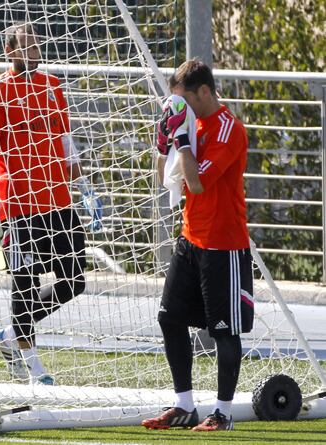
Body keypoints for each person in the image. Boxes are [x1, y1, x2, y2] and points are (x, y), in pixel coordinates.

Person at [0, 23, 106, 385]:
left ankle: (11, 336)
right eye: (28, 46)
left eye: (37, 45)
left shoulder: (52, 86)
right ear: (9, 50)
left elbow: (66, 143)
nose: (35, 51)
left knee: (74, 280)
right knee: (24, 283)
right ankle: (34, 367)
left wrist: (85, 189)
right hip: (17, 205)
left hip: (59, 201)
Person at [142, 60, 253, 431]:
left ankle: (223, 413)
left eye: (184, 99)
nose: (180, 108)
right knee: (169, 318)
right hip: (191, 239)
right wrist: (163, 145)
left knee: (223, 330)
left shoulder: (228, 130)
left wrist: (184, 141)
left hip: (224, 245)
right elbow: (167, 181)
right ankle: (184, 406)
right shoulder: (189, 122)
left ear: (204, 92)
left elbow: (199, 182)